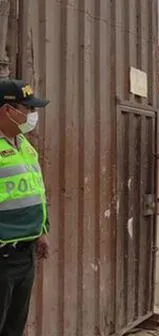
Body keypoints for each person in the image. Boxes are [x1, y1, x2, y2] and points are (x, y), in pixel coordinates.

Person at [0, 79, 51, 335]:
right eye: (28, 108)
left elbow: (36, 191)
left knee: (14, 328)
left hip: (26, 254)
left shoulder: (25, 146)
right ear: (8, 110)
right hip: (3, 257)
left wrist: (41, 231)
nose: (33, 115)